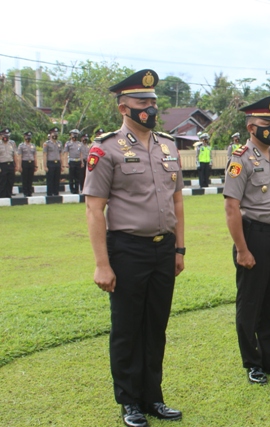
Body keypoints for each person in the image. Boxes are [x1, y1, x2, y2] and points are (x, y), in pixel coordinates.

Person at [84, 69, 185, 427]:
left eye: (154, 101)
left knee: (155, 326)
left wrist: (180, 249)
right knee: (127, 327)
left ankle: (153, 397)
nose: (151, 107)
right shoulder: (106, 148)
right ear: (123, 107)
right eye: (143, 102)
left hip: (163, 249)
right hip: (126, 250)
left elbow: (177, 202)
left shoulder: (168, 146)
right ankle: (129, 402)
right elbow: (95, 208)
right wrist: (102, 264)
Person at [223, 96, 270, 385]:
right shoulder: (240, 159)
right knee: (250, 303)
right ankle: (252, 363)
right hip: (254, 237)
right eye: (267, 124)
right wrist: (242, 249)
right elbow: (231, 207)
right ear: (251, 126)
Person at [42, 127, 63, 196]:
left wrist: (62, 165)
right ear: (50, 134)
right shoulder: (46, 144)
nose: (55, 135)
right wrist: (45, 166)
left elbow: (60, 154)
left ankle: (56, 193)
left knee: (57, 179)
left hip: (57, 163)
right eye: (54, 133)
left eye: (56, 133)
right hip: (50, 163)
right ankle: (50, 194)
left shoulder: (59, 143)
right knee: (50, 180)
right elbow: (44, 155)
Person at [17, 131, 38, 197]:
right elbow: (20, 156)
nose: (28, 138)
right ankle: (25, 192)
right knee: (24, 178)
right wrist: (19, 166)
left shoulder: (33, 145)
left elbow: (35, 156)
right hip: (24, 162)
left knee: (30, 178)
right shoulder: (21, 146)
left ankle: (29, 191)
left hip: (31, 162)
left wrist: (36, 165)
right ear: (24, 137)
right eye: (27, 137)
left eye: (29, 137)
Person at [63, 129, 84, 194]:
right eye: (73, 134)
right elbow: (66, 153)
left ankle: (76, 189)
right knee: (71, 177)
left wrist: (82, 162)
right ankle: (72, 190)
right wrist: (65, 163)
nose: (74, 136)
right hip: (71, 161)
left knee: (78, 177)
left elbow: (81, 153)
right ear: (71, 135)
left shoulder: (79, 144)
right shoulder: (68, 143)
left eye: (76, 134)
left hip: (78, 161)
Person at [0, 128, 18, 198]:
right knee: (2, 181)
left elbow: (15, 155)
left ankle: (9, 195)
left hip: (10, 164)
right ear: (1, 136)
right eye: (4, 135)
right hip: (2, 164)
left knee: (10, 180)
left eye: (7, 135)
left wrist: (16, 165)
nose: (5, 136)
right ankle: (2, 196)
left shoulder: (12, 143)